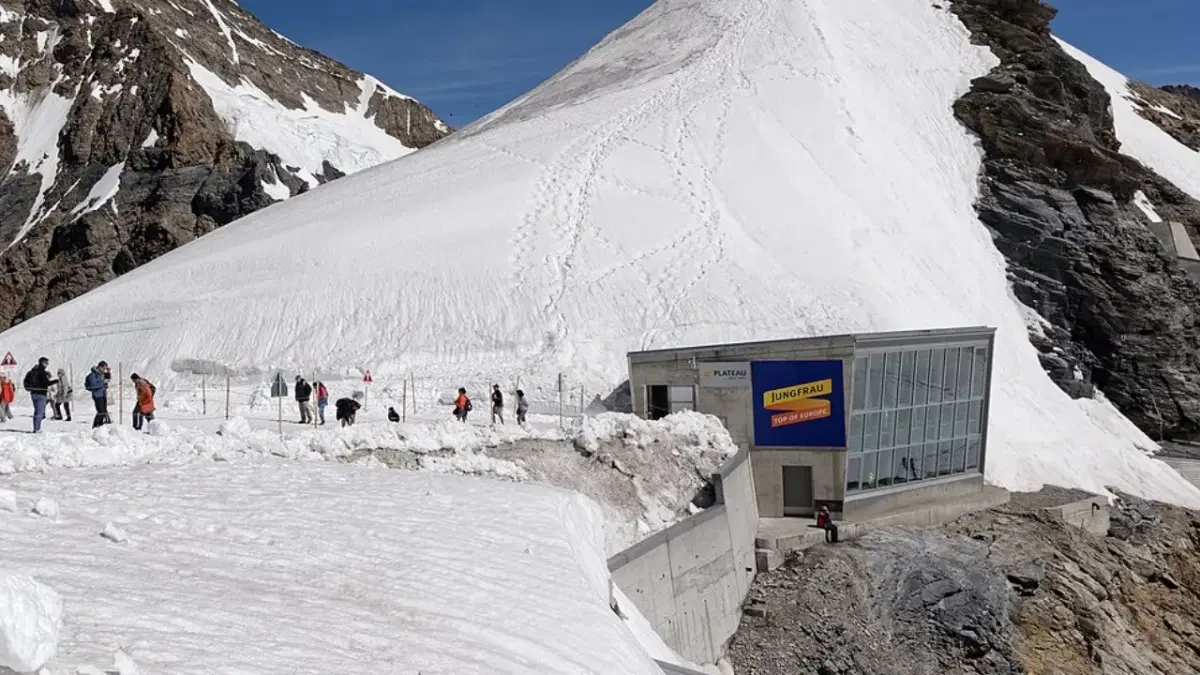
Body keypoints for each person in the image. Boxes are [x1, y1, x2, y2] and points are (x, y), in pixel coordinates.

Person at [22, 357, 57, 433]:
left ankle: (36, 427)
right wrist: (56, 381)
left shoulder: (32, 371)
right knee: (39, 412)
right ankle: (37, 429)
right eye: (46, 363)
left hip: (33, 393)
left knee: (37, 411)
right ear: (43, 363)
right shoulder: (42, 372)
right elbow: (46, 383)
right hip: (41, 393)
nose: (47, 365)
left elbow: (26, 380)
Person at [84, 361, 112, 428]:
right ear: (99, 367)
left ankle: (100, 425)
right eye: (103, 368)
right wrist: (102, 384)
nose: (104, 370)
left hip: (103, 394)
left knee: (104, 411)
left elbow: (107, 379)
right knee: (101, 412)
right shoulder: (92, 376)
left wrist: (108, 372)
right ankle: (95, 426)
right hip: (97, 395)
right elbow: (93, 385)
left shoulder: (101, 374)